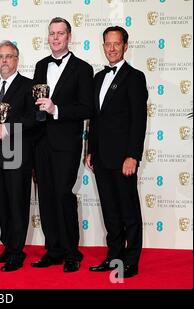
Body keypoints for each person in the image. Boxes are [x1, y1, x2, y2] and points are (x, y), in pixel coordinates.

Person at [31, 17, 94, 272]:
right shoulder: (40, 65)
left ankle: (71, 252)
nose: (55, 38)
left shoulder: (82, 68)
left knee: (63, 195)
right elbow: (34, 102)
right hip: (41, 143)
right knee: (45, 197)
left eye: (60, 33)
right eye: (52, 34)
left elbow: (87, 107)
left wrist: (56, 109)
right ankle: (53, 249)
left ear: (69, 37)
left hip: (66, 143)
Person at [86, 26, 148, 278]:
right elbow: (95, 119)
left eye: (116, 43)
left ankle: (131, 260)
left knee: (128, 211)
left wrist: (133, 155)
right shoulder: (97, 79)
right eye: (107, 44)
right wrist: (90, 150)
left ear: (125, 46)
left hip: (124, 158)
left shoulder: (135, 77)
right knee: (110, 212)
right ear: (103, 46)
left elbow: (138, 120)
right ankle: (114, 258)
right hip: (101, 157)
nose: (112, 48)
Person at [0, 41, 35, 272]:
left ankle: (17, 252)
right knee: (2, 203)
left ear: (17, 59)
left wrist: (9, 127)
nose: (4, 61)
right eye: (0, 57)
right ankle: (7, 246)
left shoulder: (29, 85)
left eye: (9, 56)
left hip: (18, 157)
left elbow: (34, 118)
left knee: (17, 203)